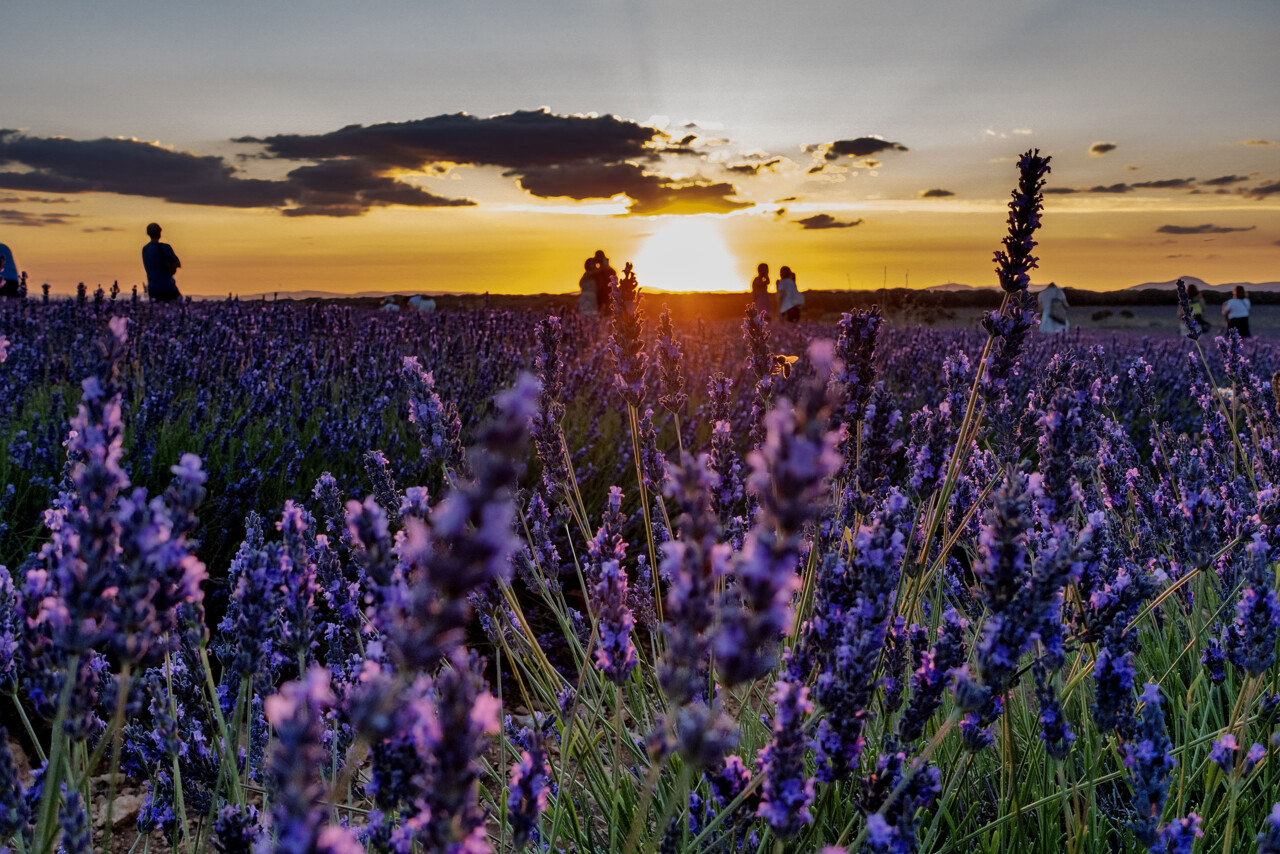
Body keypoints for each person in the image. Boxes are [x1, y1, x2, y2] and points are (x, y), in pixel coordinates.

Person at [141, 223, 181, 302]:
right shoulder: (165, 247)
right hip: (168, 287)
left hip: (152, 288)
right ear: (160, 233)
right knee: (180, 304)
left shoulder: (145, 249)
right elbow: (178, 263)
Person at [592, 250, 617, 317]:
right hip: (600, 296)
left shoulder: (608, 270)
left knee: (607, 315)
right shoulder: (599, 271)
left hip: (606, 295)